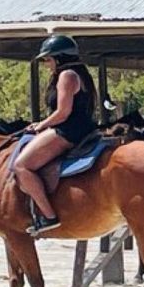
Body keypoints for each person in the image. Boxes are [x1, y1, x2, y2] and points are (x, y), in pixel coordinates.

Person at [12, 35, 97, 236]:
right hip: (81, 127)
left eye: (48, 59)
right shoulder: (80, 73)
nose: (46, 64)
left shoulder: (66, 76)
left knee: (21, 166)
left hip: (68, 130)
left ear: (59, 58)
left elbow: (63, 112)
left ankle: (49, 215)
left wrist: (40, 126)